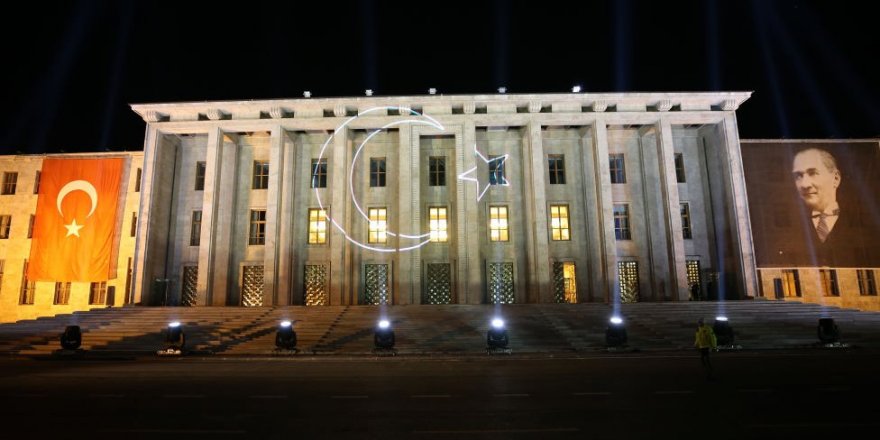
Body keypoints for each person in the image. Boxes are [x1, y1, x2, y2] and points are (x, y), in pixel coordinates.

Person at [789, 148, 857, 266]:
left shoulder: (861, 222)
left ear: (835, 178)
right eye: (798, 176)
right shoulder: (792, 227)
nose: (804, 184)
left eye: (813, 173)